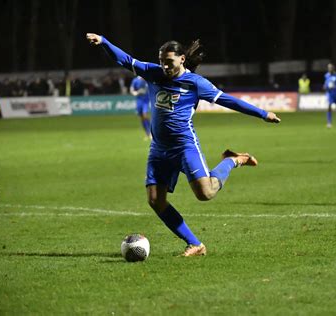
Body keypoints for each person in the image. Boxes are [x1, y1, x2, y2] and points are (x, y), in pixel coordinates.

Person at [86, 33, 281, 256]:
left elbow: (229, 100)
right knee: (155, 201)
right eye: (161, 61)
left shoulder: (196, 83)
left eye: (168, 62)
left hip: (184, 147)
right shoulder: (153, 73)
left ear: (181, 60)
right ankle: (195, 244)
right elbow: (126, 60)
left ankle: (233, 160)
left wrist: (263, 113)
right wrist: (104, 41)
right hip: (159, 150)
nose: (164, 66)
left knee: (205, 194)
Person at [130, 76, 152, 140]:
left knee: (145, 115)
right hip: (139, 100)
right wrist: (135, 93)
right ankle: (147, 133)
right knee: (141, 118)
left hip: (146, 100)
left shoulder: (147, 79)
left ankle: (151, 132)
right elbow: (132, 89)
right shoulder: (135, 80)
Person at [323, 63, 336, 128]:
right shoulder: (326, 75)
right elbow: (326, 83)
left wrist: (335, 87)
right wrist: (325, 86)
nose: (329, 69)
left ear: (333, 68)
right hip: (329, 94)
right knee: (329, 107)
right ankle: (329, 123)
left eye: (330, 68)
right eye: (328, 68)